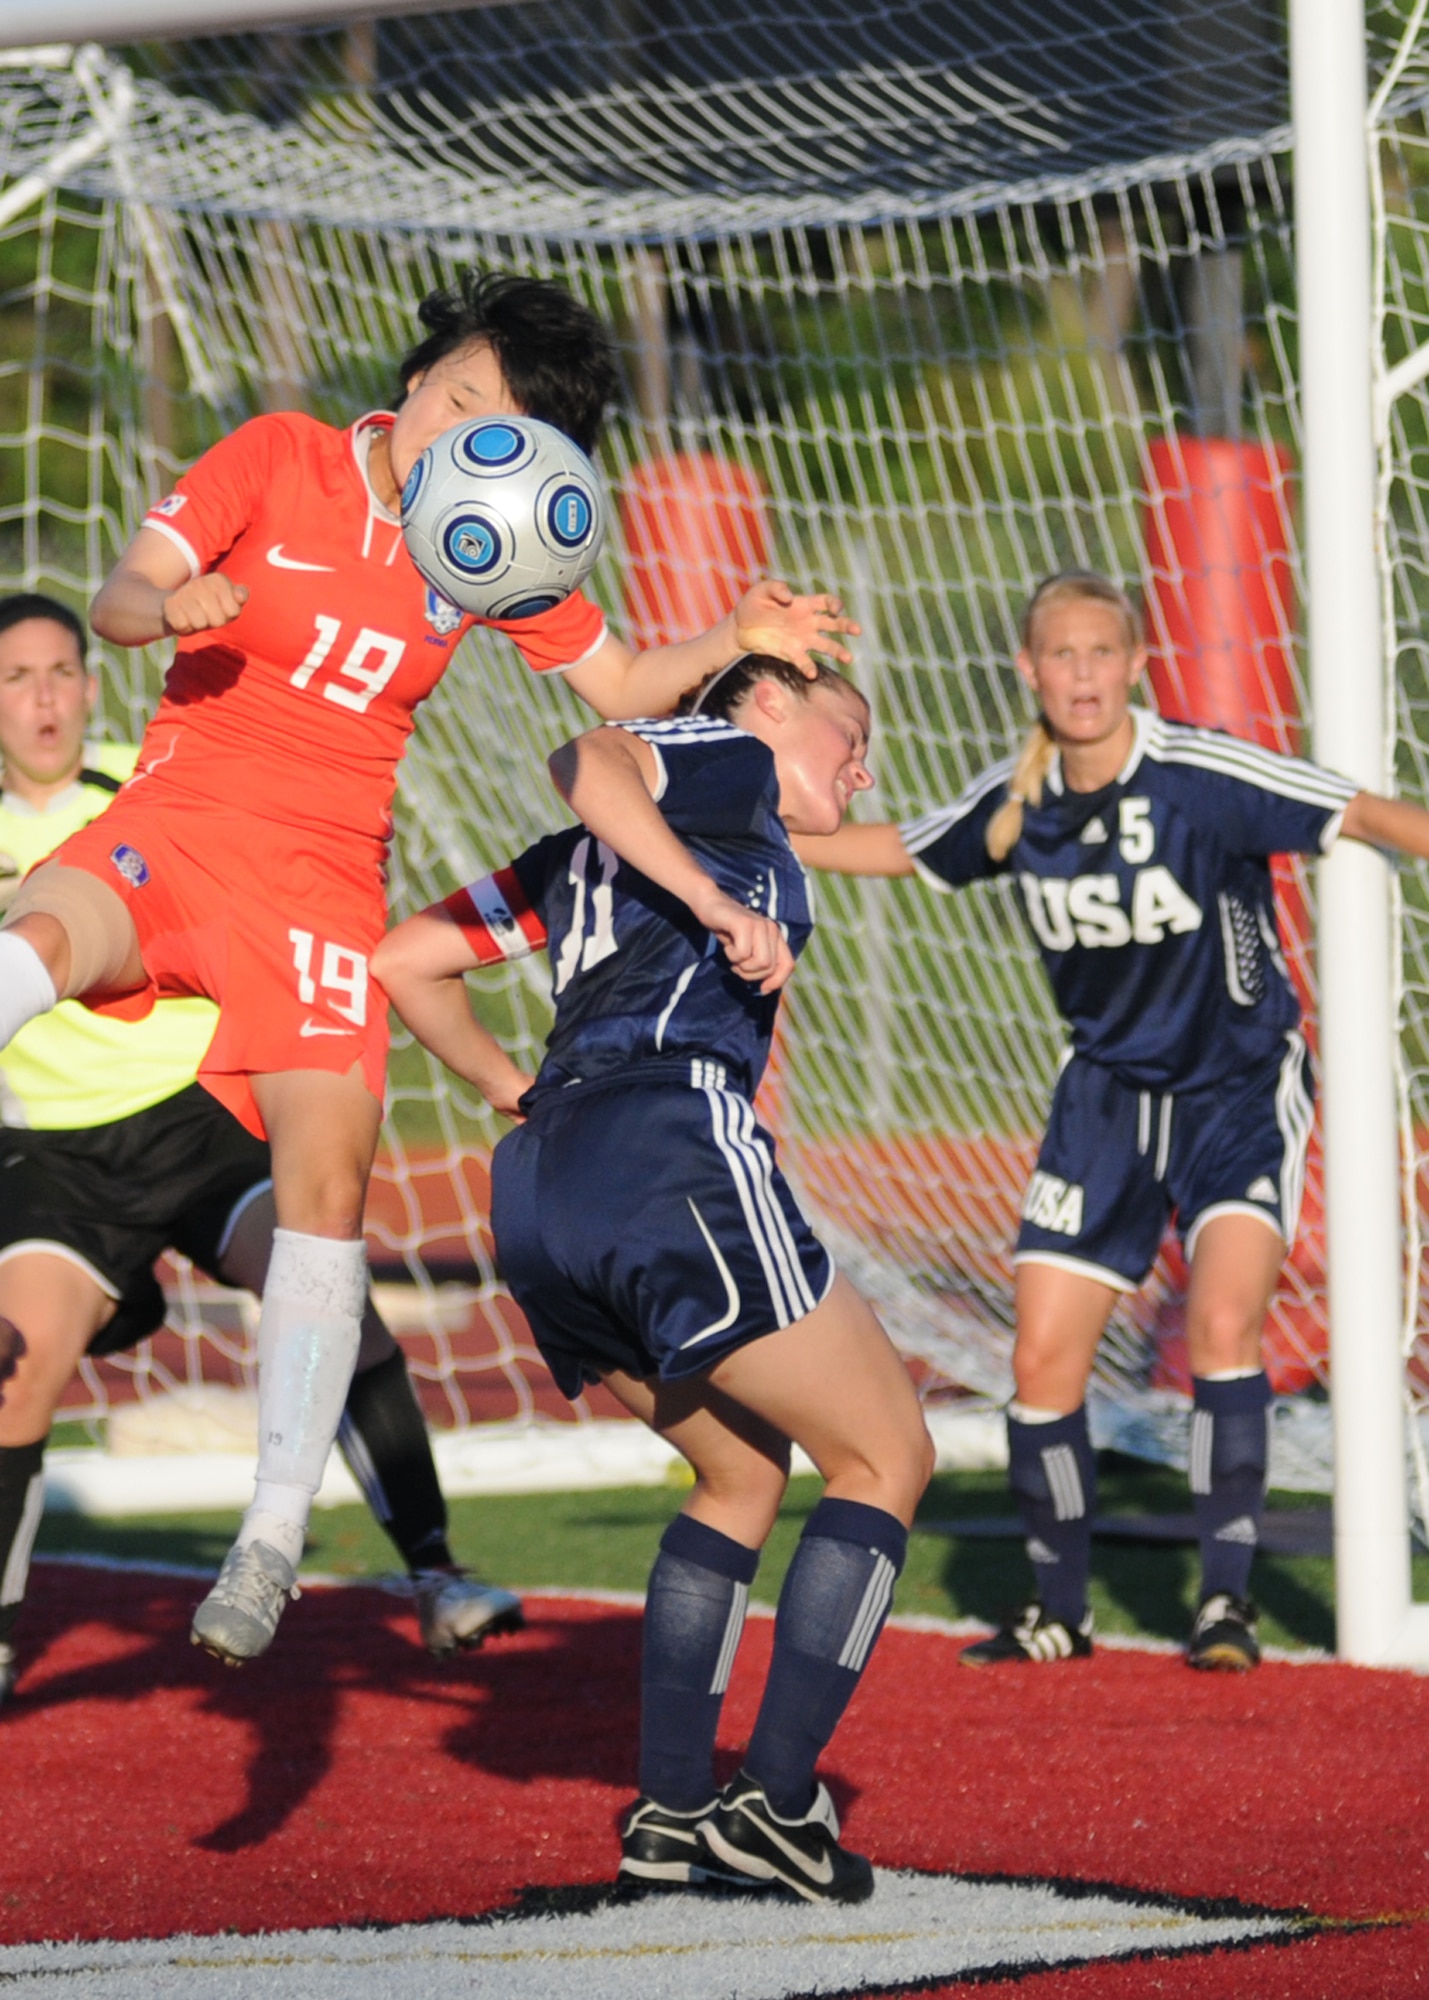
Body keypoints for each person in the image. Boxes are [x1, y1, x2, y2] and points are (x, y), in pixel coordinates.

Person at [0, 269, 855, 1669]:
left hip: (325, 882)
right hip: (184, 818)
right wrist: (172, 601)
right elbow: (117, 595)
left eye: (487, 419)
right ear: (418, 375)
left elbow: (624, 683)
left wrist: (737, 642)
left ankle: (273, 1537)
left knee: (329, 1184)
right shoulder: (278, 455)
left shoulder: (486, 535)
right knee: (47, 934)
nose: (450, 425)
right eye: (451, 391)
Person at [372, 653, 934, 1904]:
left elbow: (408, 957)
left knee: (739, 1471)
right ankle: (778, 1804)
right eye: (852, 727)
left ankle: (672, 1811)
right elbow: (587, 761)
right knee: (887, 1455)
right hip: (664, 1141)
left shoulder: (601, 850)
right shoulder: (726, 762)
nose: (865, 758)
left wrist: (510, 1087)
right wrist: (718, 905)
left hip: (542, 1183)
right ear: (772, 705)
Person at [795, 568, 1429, 1673]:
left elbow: (1362, 812)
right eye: (1060, 654)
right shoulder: (1017, 796)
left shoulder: (1199, 771)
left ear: (1135, 665)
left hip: (1234, 1086)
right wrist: (753, 845)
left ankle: (1223, 1607)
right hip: (1102, 1098)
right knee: (1041, 1358)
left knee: (1224, 1325)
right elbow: (905, 845)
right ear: (1027, 670)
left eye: (1101, 653)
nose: (1081, 674)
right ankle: (1058, 1611)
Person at [0, 593, 522, 1708]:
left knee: (333, 1293)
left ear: (94, 685)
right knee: (16, 1375)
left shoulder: (143, 790)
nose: (43, 697)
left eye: (60, 671)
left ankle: (434, 1571)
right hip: (53, 1163)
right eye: (15, 677)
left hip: (202, 1115)